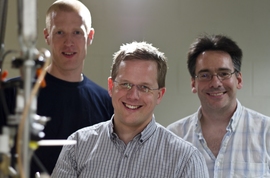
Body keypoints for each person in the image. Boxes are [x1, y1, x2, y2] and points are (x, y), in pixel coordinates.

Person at [51, 41, 209, 178]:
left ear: (159, 95)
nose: (133, 95)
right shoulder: (77, 145)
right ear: (111, 87)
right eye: (125, 84)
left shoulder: (186, 160)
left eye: (144, 87)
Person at [0, 0, 114, 177]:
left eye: (77, 32)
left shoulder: (107, 103)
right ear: (47, 36)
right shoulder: (12, 93)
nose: (68, 42)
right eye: (60, 32)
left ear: (90, 36)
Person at [167, 34, 270, 177]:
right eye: (204, 75)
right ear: (193, 83)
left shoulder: (266, 132)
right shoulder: (173, 136)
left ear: (238, 80)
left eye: (224, 73)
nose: (215, 83)